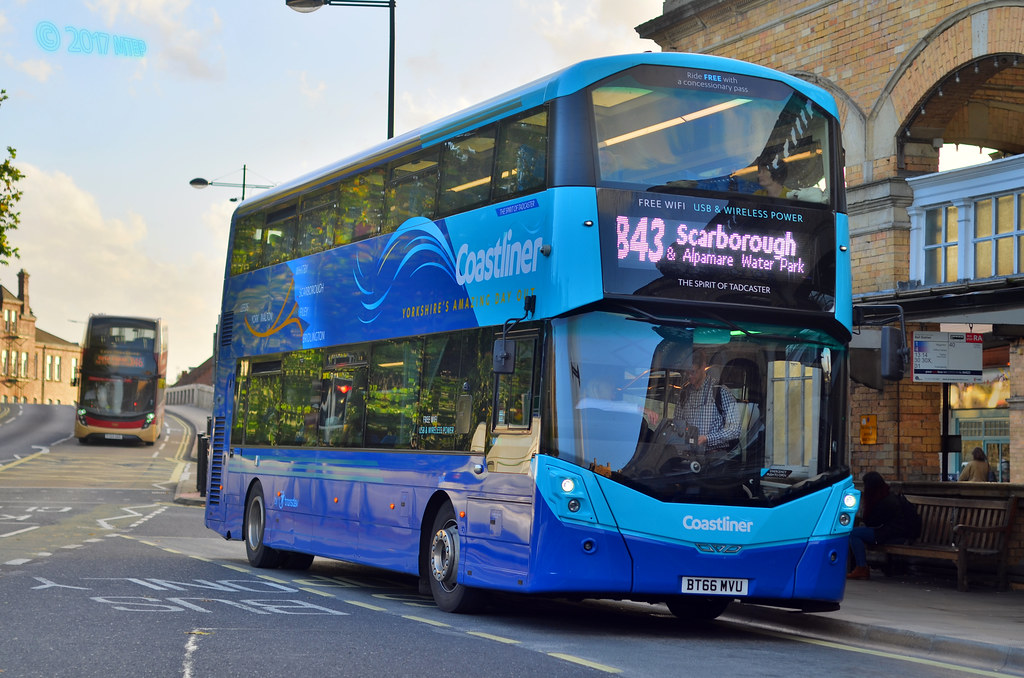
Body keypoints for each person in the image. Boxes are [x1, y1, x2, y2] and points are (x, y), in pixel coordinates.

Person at [847, 471, 917, 580]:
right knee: (856, 532)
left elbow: (871, 522)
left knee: (852, 534)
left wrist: (867, 507)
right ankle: (859, 566)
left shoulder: (884, 501)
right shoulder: (887, 495)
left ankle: (861, 567)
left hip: (893, 536)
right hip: (895, 533)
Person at [672, 348, 740, 452]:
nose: (689, 376)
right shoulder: (684, 393)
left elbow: (734, 430)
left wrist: (707, 438)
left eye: (693, 372)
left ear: (703, 366)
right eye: (686, 373)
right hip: (689, 454)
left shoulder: (721, 391)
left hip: (714, 456)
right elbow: (677, 423)